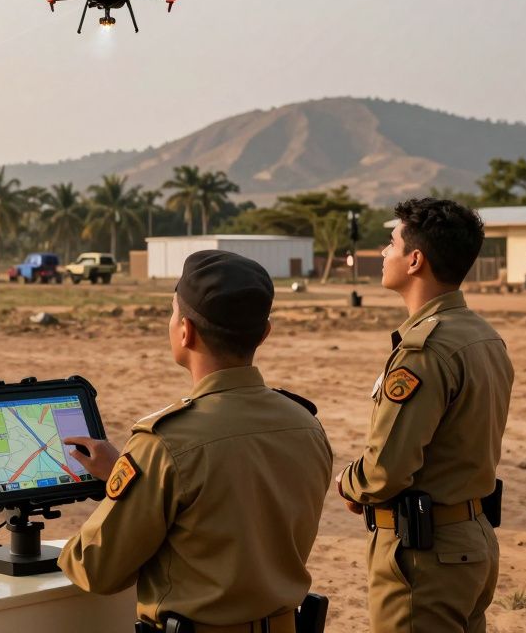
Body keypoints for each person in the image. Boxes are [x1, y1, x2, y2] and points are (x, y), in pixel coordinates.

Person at [60, 250, 333, 632]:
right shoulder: (304, 424)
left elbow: (96, 569)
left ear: (185, 331)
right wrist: (129, 477)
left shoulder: (166, 441)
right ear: (264, 333)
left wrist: (127, 486)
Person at [336, 198, 513, 633]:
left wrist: (349, 483)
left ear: (415, 260)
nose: (383, 252)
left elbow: (386, 470)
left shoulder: (425, 351)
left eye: (391, 243)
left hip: (427, 555)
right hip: (471, 539)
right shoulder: (482, 335)